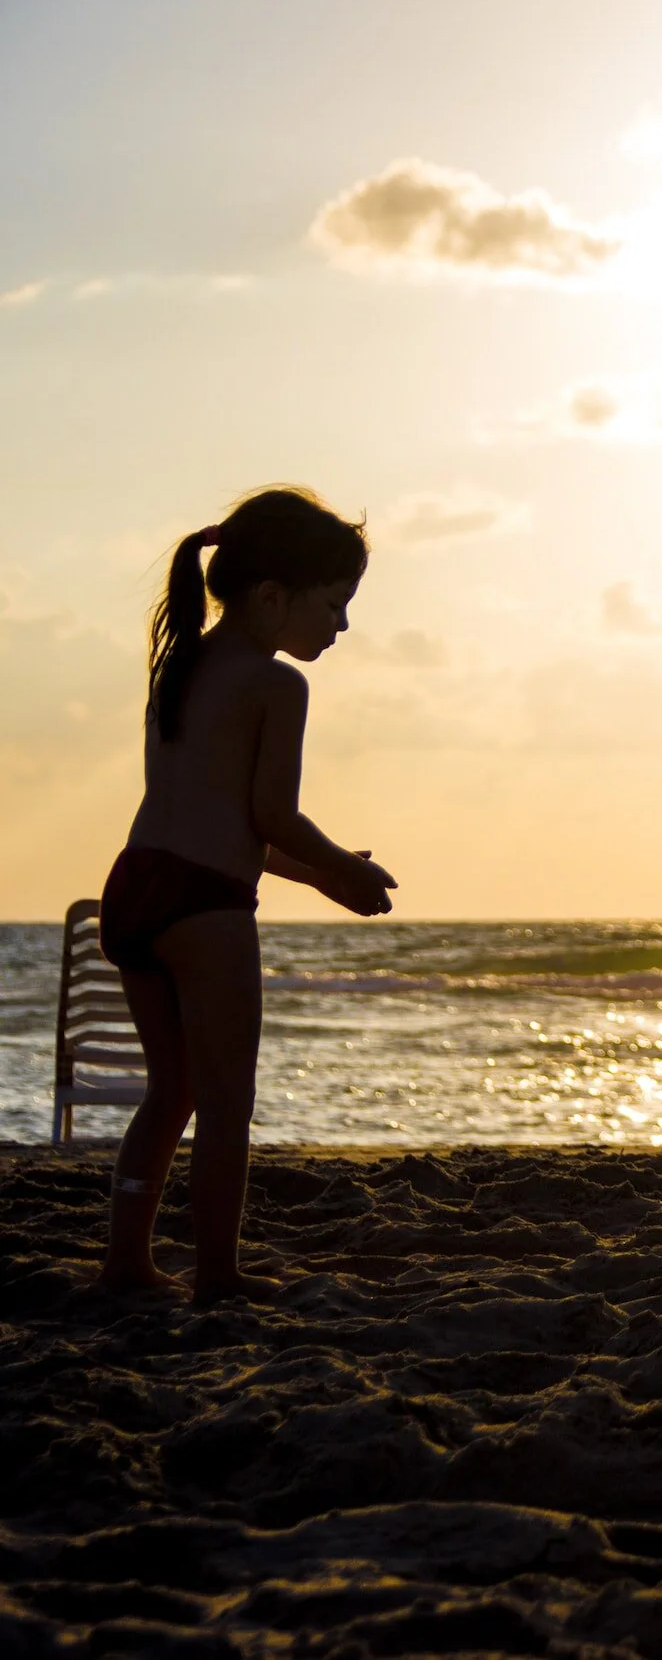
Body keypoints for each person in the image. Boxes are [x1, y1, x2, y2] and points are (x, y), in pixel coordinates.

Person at [96, 487, 397, 1303]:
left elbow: (229, 831)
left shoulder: (182, 663)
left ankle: (127, 1262)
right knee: (227, 1102)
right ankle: (218, 1274)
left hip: (136, 886)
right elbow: (271, 815)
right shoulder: (277, 687)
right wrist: (348, 864)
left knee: (172, 1090)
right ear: (273, 596)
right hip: (204, 906)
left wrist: (324, 876)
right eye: (334, 605)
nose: (340, 626)